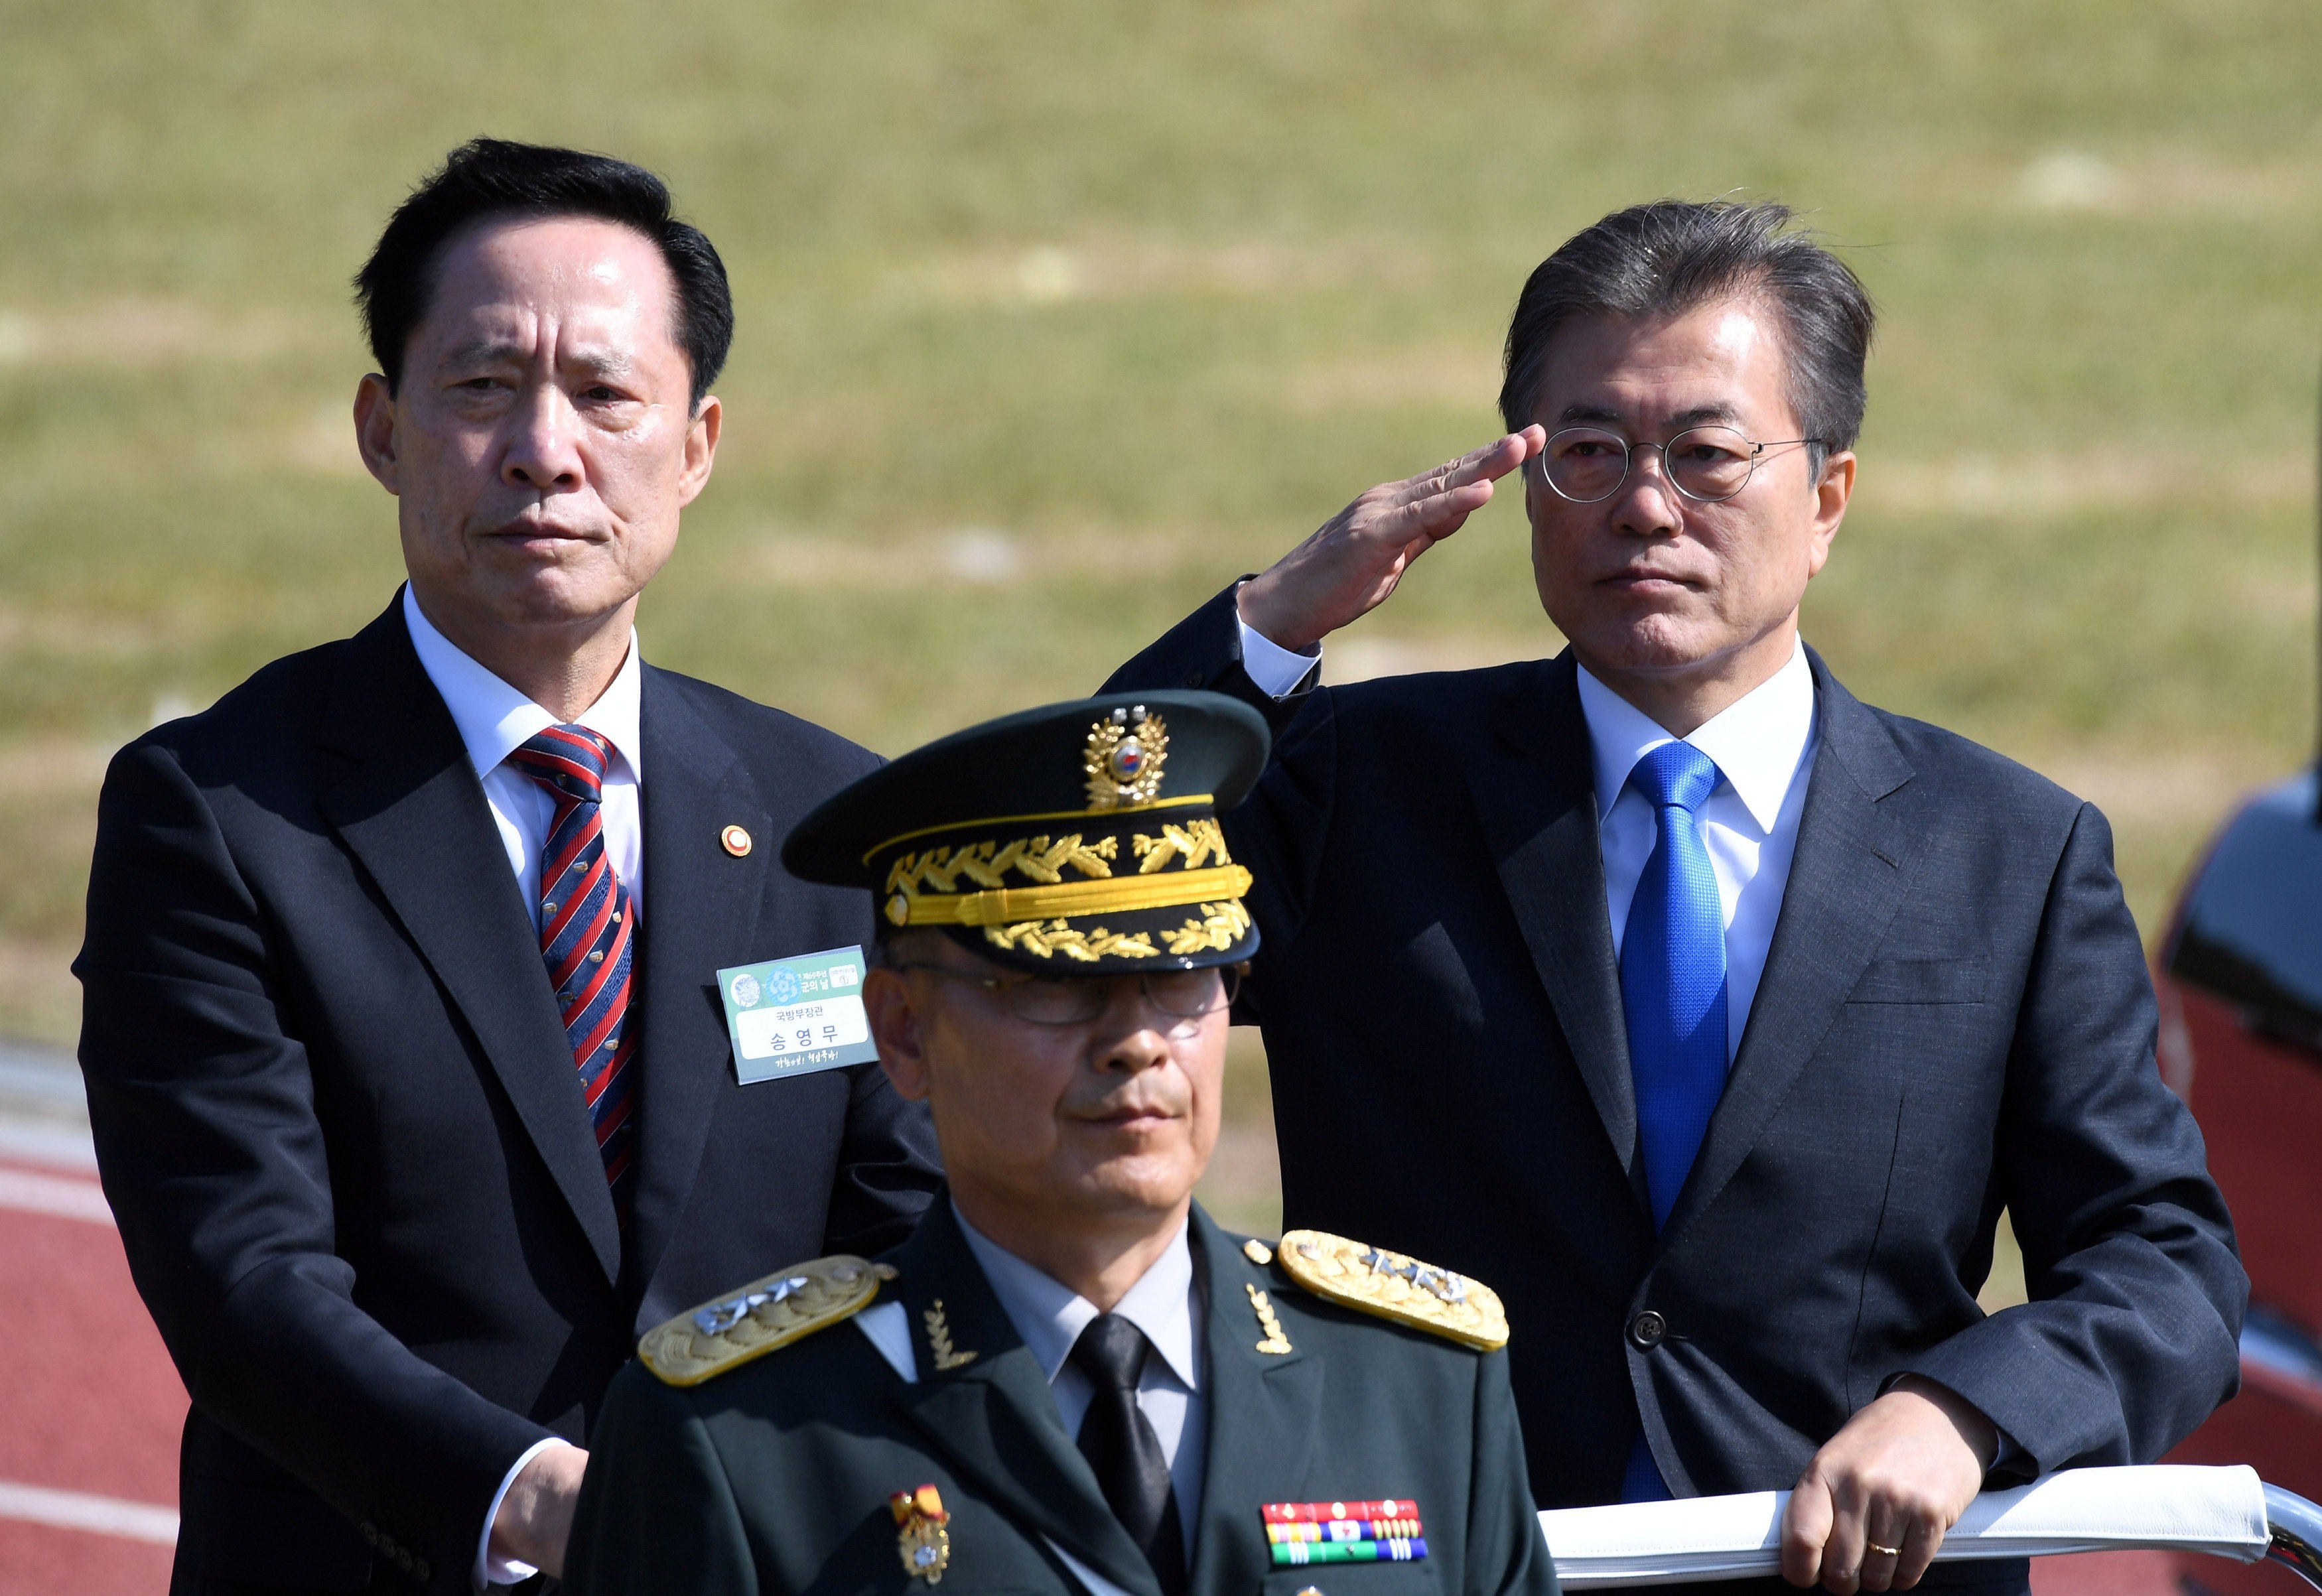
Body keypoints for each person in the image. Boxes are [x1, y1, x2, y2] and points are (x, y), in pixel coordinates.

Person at [1104, 201, 2246, 1595]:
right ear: (1522, 489)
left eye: (1707, 454)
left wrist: (1966, 1412)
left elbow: (2162, 1264)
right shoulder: (1358, 785)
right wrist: (1271, 623)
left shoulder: (2004, 849)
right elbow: (1068, 886)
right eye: (1587, 455)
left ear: (1827, 496)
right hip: (1437, 1559)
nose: (1644, 505)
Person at [74, 139, 941, 1594]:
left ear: (700, 444)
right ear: (380, 429)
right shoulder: (219, 813)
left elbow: (913, 1223)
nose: (546, 449)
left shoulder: (828, 816)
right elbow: (243, 1282)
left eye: (607, 395)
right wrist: (546, 1505)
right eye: (482, 389)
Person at [563, 692, 1558, 1596]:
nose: (1135, 1043)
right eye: (1053, 989)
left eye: (1183, 980)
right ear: (903, 1032)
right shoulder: (736, 1437)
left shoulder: (1419, 1382)